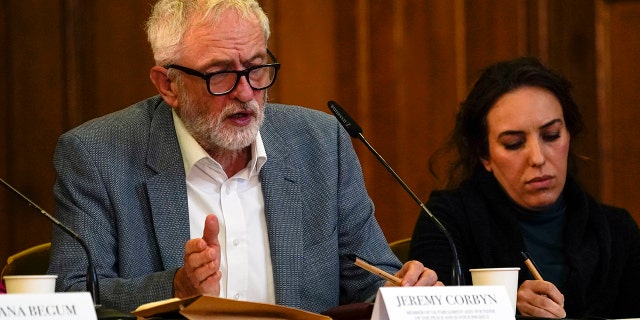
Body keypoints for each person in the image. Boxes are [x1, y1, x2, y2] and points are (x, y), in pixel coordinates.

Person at [47, 0, 442, 314]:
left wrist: (403, 290)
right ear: (168, 84)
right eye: (219, 74)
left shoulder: (320, 144)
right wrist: (176, 288)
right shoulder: (97, 155)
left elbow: (369, 278)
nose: (246, 92)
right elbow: (73, 295)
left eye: (256, 68)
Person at [410, 57, 640, 318]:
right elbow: (427, 313)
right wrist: (508, 312)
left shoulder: (618, 230)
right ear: (484, 154)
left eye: (551, 135)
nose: (538, 158)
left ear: (570, 135)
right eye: (514, 143)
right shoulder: (447, 221)